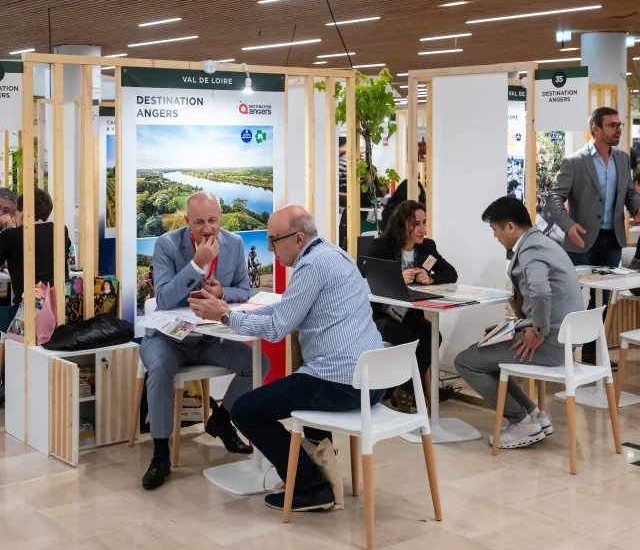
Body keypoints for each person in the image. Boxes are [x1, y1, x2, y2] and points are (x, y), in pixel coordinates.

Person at [188, 205, 384, 512]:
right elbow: (286, 308)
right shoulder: (334, 255)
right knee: (303, 388)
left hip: (340, 384)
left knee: (244, 410)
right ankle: (319, 474)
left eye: (274, 240)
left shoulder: (311, 268)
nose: (269, 248)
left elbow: (278, 329)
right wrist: (231, 309)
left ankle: (310, 487)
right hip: (374, 378)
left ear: (299, 238)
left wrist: (225, 316)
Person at [140, 191, 270, 490]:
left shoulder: (234, 243)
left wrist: (222, 293)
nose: (208, 228)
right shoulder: (167, 245)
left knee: (258, 363)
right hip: (168, 338)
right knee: (159, 371)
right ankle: (160, 453)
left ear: (220, 218)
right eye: (199, 222)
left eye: (213, 220)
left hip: (209, 339)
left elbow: (244, 291)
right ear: (187, 221)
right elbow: (164, 299)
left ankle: (222, 420)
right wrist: (197, 264)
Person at [454, 197, 583, 449]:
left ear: (510, 226)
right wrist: (517, 327)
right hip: (564, 339)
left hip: (549, 342)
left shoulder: (530, 250)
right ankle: (534, 415)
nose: (495, 237)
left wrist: (537, 330)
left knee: (466, 361)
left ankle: (521, 422)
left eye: (495, 230)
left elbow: (541, 292)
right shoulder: (544, 242)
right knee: (486, 353)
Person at [547, 107, 640, 363]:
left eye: (620, 125)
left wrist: (637, 207)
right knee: (570, 296)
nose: (619, 129)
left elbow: (629, 192)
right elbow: (555, 196)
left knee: (604, 298)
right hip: (581, 238)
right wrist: (568, 225)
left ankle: (589, 353)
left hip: (612, 239)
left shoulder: (623, 159)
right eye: (612, 125)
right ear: (595, 129)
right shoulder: (575, 162)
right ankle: (557, 353)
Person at [368, 200, 457, 411]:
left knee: (433, 335)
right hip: (381, 315)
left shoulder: (427, 247)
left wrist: (431, 279)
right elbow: (366, 278)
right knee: (407, 339)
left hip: (408, 314)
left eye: (424, 223)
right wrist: (397, 278)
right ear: (402, 224)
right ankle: (399, 392)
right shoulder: (381, 247)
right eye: (416, 224)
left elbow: (451, 273)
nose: (422, 229)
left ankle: (404, 391)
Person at [0, 188, 69, 308]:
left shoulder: (11, 236)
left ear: (22, 212)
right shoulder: (61, 230)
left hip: (27, 309)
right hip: (59, 305)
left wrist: (12, 231)